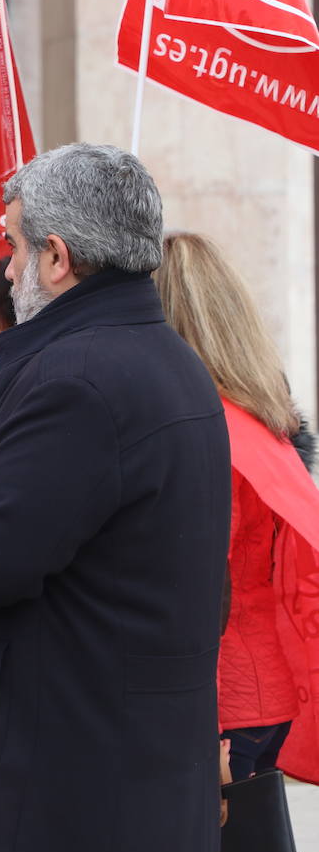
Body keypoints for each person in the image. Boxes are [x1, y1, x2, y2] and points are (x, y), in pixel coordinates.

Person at [0, 144, 231, 852]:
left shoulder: (78, 379)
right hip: (122, 758)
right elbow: (60, 530)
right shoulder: (165, 358)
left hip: (63, 774)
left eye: (12, 245)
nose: (6, 267)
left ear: (57, 257)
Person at [156, 231, 319, 797]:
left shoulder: (204, 429)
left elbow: (187, 572)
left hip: (219, 696)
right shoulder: (262, 417)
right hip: (261, 684)